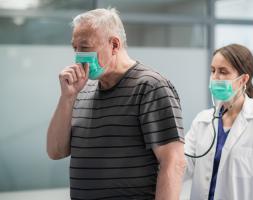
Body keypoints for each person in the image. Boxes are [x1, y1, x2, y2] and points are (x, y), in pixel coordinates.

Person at [47, 8, 186, 200]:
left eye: (85, 47)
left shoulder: (150, 87)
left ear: (114, 44)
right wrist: (67, 97)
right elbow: (55, 151)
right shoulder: (81, 90)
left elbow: (174, 162)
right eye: (75, 48)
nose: (78, 56)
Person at [182, 44, 253, 200]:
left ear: (243, 79)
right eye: (213, 70)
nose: (215, 78)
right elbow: (182, 165)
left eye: (223, 71)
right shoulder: (202, 121)